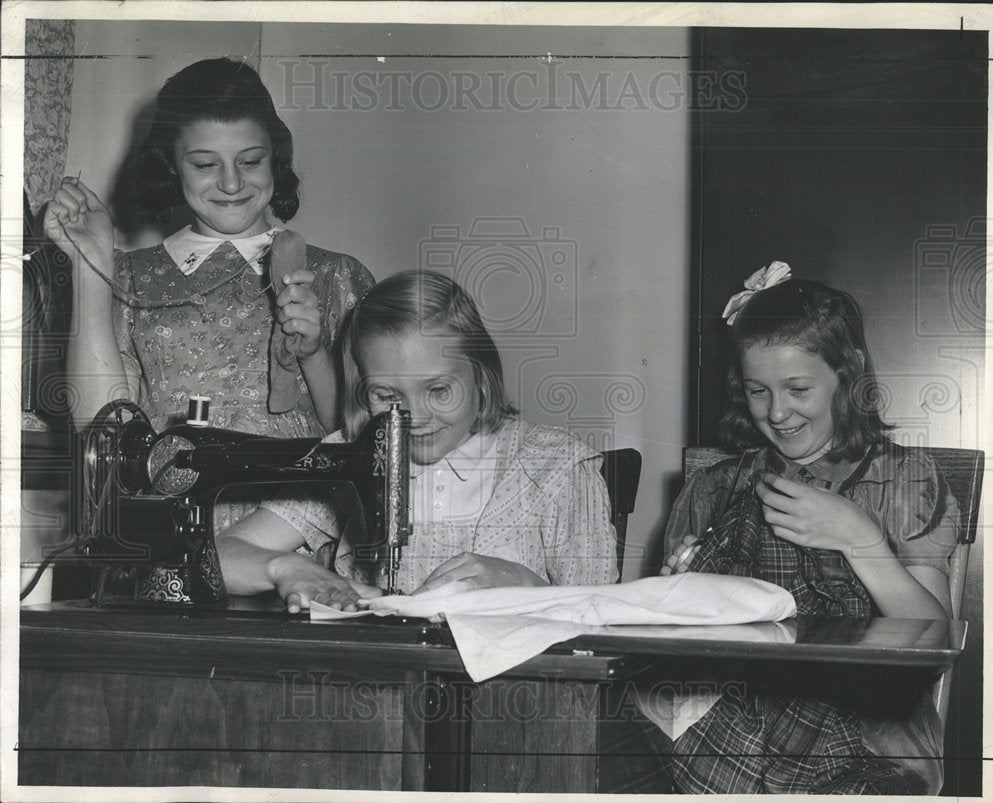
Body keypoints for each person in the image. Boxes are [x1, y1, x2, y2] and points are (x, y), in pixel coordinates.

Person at [652, 264, 960, 794]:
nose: (777, 412)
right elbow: (666, 655)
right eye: (757, 391)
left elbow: (932, 642)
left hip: (870, 736)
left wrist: (859, 539)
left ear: (847, 374)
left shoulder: (904, 480)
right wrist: (675, 595)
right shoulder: (715, 490)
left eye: (797, 388)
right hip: (731, 726)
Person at [216, 270, 620, 612]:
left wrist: (530, 587)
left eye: (439, 390)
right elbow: (220, 554)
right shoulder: (349, 454)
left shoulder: (557, 467)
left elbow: (607, 618)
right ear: (361, 389)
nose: (415, 418)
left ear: (481, 375)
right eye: (387, 397)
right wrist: (285, 567)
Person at [43, 58, 374, 443]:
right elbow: (100, 429)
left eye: (251, 161)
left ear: (275, 158)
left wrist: (313, 355)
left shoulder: (336, 275)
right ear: (171, 166)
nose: (232, 184)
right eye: (204, 164)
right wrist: (92, 263)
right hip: (173, 499)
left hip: (298, 498)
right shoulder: (129, 277)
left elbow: (369, 441)